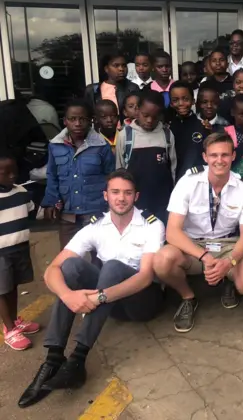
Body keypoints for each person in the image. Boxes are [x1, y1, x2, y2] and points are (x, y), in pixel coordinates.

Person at [18, 169, 165, 408]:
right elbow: (52, 270)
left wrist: (99, 297)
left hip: (141, 303)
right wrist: (69, 296)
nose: (121, 198)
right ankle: (53, 358)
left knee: (113, 268)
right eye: (115, 192)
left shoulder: (151, 225)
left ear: (136, 196)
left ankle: (78, 359)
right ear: (105, 195)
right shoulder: (95, 227)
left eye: (127, 193)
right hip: (109, 305)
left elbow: (146, 277)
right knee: (72, 267)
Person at [153, 132, 243, 333]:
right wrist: (204, 257)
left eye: (225, 155)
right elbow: (172, 233)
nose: (219, 160)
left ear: (233, 156)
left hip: (228, 244)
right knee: (162, 260)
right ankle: (188, 297)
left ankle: (228, 277)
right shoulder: (187, 182)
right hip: (193, 247)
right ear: (205, 157)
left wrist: (229, 262)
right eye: (214, 155)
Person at [42, 100, 115, 253]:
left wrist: (111, 206)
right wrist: (50, 202)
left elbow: (111, 177)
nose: (77, 123)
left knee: (100, 255)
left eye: (82, 119)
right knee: (68, 257)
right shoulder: (55, 145)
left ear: (90, 121)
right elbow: (52, 176)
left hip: (95, 211)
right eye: (72, 119)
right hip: (68, 213)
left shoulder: (101, 146)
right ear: (65, 121)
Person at [115, 90, 176, 225]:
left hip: (162, 202)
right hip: (135, 203)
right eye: (145, 115)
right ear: (137, 110)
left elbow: (173, 169)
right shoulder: (126, 135)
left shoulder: (166, 134)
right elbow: (119, 169)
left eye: (155, 117)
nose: (149, 120)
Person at [0, 151, 38, 351]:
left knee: (13, 286)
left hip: (19, 248)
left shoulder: (22, 192)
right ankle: (9, 330)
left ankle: (14, 321)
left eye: (13, 171)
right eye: (5, 173)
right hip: (1, 253)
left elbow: (30, 211)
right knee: (1, 290)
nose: (12, 176)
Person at [169, 81, 210, 179]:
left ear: (193, 101)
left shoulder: (202, 126)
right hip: (175, 180)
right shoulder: (168, 127)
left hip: (197, 178)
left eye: (185, 99)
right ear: (171, 103)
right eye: (175, 100)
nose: (181, 103)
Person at [84, 53, 139, 122]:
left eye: (124, 65)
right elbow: (88, 114)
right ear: (106, 69)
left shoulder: (133, 88)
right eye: (116, 65)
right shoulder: (93, 89)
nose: (121, 69)